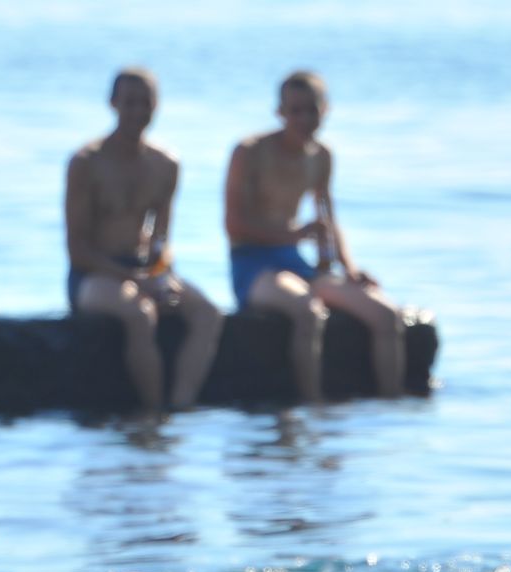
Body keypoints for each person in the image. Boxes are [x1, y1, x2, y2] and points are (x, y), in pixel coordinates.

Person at [224, 70, 406, 403]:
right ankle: (313, 406)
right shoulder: (250, 151)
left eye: (311, 110)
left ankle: (391, 405)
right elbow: (234, 226)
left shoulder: (321, 156)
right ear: (280, 113)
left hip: (297, 263)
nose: (304, 119)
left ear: (325, 110)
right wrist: (294, 234)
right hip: (255, 264)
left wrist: (349, 268)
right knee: (307, 311)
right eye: (295, 111)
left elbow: (328, 220)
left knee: (387, 316)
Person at [65, 68, 223, 414]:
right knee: (139, 315)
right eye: (130, 103)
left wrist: (160, 275)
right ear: (113, 104)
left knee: (208, 313)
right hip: (95, 275)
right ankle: (152, 414)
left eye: (146, 103)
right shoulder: (86, 163)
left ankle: (181, 404)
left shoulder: (166, 163)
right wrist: (131, 281)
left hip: (142, 271)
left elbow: (161, 238)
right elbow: (78, 250)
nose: (138, 112)